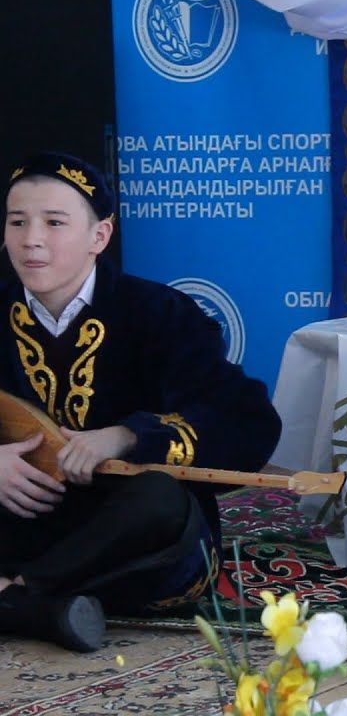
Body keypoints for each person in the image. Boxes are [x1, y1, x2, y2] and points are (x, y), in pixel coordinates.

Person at [0, 152, 282, 652]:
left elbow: (245, 418)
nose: (31, 239)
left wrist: (128, 435)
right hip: (20, 518)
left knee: (161, 498)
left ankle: (20, 596)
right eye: (17, 221)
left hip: (126, 533)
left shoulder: (160, 312)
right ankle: (38, 609)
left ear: (99, 236)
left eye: (54, 222)